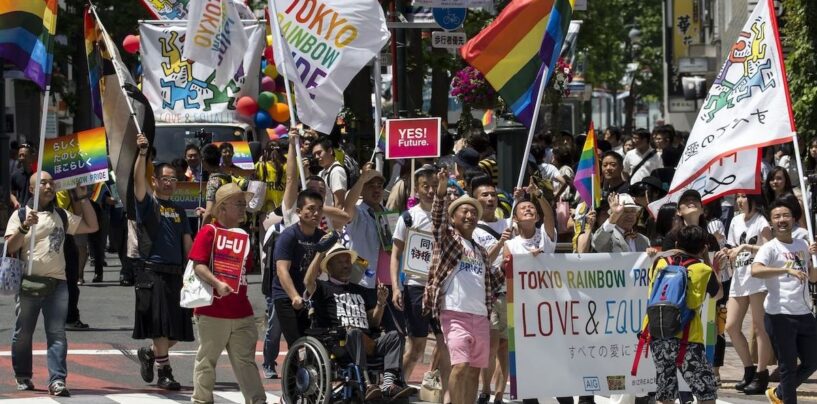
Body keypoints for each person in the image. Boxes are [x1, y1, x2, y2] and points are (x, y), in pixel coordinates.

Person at [5, 172, 99, 396]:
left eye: (51, 182)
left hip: (58, 284)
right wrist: (25, 227)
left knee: (57, 333)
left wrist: (83, 198)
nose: (49, 186)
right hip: (28, 283)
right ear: (31, 189)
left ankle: (57, 379)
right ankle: (23, 375)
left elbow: (92, 225)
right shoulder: (20, 214)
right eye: (43, 183)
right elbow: (9, 247)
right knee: (23, 333)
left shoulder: (61, 216)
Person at [422, 168, 504, 404]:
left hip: (480, 316)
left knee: (474, 371)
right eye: (464, 211)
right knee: (460, 366)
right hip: (454, 313)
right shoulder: (448, 239)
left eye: (473, 212)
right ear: (454, 217)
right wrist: (441, 187)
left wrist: (509, 266)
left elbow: (492, 280)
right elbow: (437, 218)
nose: (469, 216)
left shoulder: (479, 251)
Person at [188, 183, 266, 404]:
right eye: (238, 203)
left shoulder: (243, 235)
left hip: (242, 310)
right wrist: (217, 283)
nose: (244, 208)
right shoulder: (208, 232)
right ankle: (202, 401)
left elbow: (245, 269)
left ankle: (257, 401)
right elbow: (198, 265)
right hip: (212, 310)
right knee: (207, 361)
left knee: (246, 362)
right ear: (222, 207)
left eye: (244, 203)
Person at [305, 242, 414, 400]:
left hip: (368, 340)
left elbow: (374, 323)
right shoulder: (323, 288)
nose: (346, 265)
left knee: (395, 336)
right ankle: (366, 382)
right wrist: (320, 252)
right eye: (340, 262)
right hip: (340, 343)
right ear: (329, 267)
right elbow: (308, 282)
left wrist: (380, 303)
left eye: (347, 261)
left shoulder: (361, 290)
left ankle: (389, 383)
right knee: (354, 332)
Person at [132, 133, 195, 390]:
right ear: (155, 181)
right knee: (160, 326)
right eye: (164, 179)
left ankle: (149, 353)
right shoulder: (148, 204)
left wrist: (196, 270)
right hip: (152, 273)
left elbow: (188, 245)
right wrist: (142, 154)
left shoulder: (180, 211)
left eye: (173, 179)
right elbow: (137, 181)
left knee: (176, 331)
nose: (169, 183)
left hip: (176, 274)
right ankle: (164, 372)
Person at [389, 164, 452, 399]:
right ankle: (396, 385)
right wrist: (396, 286)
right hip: (415, 286)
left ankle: (443, 393)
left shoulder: (446, 214)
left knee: (445, 342)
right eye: (425, 186)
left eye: (434, 186)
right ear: (417, 188)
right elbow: (395, 254)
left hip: (443, 287)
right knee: (415, 345)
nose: (430, 190)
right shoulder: (407, 218)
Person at [751, 199, 817, 404]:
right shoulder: (769, 248)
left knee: (812, 361)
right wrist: (785, 269)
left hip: (804, 312)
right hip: (779, 314)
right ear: (771, 222)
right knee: (788, 366)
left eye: (785, 216)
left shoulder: (803, 244)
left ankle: (779, 393)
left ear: (793, 219)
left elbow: (813, 278)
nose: (782, 220)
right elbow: (756, 270)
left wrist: (814, 258)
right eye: (777, 217)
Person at [647, 225, 722, 404]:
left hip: (657, 335)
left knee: (666, 391)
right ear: (703, 248)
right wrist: (709, 264)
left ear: (677, 243)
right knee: (706, 392)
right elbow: (718, 294)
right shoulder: (702, 269)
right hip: (687, 338)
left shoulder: (660, 263)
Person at [341, 163, 402, 332]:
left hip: (387, 284)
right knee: (361, 331)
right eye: (371, 186)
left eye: (380, 186)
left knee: (393, 333)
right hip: (361, 281)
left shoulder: (390, 215)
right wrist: (361, 179)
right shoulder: (358, 213)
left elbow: (395, 248)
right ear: (362, 189)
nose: (376, 190)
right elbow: (347, 206)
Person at [724, 193, 773, 394]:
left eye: (743, 196)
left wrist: (746, 246)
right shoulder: (735, 220)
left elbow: (770, 248)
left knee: (760, 327)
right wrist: (726, 252)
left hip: (758, 278)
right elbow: (730, 246)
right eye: (737, 197)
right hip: (739, 277)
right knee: (731, 326)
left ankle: (762, 375)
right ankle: (748, 369)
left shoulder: (761, 221)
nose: (739, 200)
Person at [470, 175, 513, 404]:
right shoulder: (472, 229)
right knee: (491, 343)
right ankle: (484, 390)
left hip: (511, 292)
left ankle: (498, 394)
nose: (490, 199)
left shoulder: (508, 223)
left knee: (505, 346)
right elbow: (481, 261)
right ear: (475, 200)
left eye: (493, 195)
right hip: (488, 294)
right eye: (484, 195)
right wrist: (500, 243)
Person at [272, 189, 327, 345]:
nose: (316, 213)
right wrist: (294, 296)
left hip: (309, 296)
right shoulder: (289, 236)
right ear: (299, 212)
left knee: (315, 341)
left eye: (319, 209)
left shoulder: (322, 237)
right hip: (286, 296)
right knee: (298, 344)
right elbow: (282, 270)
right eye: (311, 208)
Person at [313, 137, 347, 208]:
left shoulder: (336, 171)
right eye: (314, 154)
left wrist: (335, 219)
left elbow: (339, 203)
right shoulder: (322, 172)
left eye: (319, 153)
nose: (316, 157)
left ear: (330, 151)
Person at [10, 143, 36, 209]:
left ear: (31, 157)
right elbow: (12, 193)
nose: (21, 158)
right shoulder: (15, 175)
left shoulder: (38, 174)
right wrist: (15, 202)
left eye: (24, 155)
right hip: (21, 210)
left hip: (36, 210)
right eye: (20, 155)